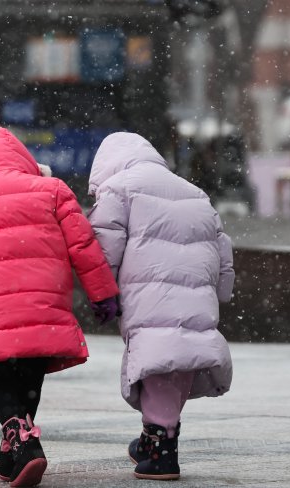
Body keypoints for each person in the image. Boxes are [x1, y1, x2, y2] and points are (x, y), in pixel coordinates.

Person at [0, 127, 119, 487]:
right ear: (23, 157)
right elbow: (84, 247)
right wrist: (102, 294)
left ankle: (24, 445)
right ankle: (14, 452)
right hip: (45, 301)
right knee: (30, 372)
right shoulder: (53, 190)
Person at [86, 132, 234, 481]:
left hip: (147, 291)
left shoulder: (118, 190)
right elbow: (221, 248)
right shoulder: (193, 192)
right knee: (176, 362)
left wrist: (102, 291)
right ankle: (156, 434)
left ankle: (162, 448)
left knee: (156, 361)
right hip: (195, 292)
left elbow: (104, 245)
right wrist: (221, 291)